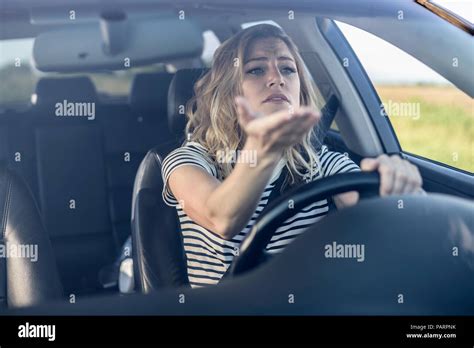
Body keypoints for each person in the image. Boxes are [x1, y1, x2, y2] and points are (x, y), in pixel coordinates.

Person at [161, 24, 423, 288]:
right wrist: (263, 150)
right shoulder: (187, 161)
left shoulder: (322, 163)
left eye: (287, 68)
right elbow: (221, 217)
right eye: (256, 69)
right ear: (229, 93)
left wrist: (396, 189)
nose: (277, 78)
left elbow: (372, 212)